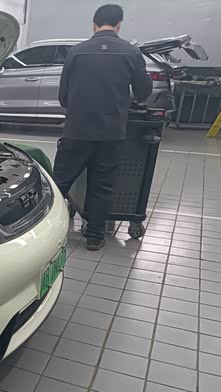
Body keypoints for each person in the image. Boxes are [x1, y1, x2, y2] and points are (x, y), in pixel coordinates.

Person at [53, 4, 152, 250]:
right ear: (119, 25)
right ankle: (95, 237)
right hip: (111, 133)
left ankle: (45, 231)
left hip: (77, 131)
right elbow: (144, 91)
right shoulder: (131, 52)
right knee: (102, 184)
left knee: (59, 183)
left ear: (94, 24)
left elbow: (63, 96)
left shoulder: (76, 52)